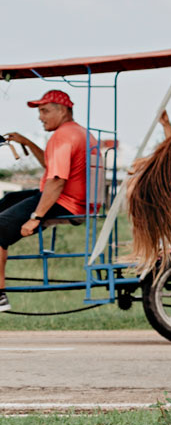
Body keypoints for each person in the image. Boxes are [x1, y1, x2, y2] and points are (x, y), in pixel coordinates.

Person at [0, 91, 92, 313]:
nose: (40, 117)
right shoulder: (77, 132)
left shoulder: (62, 136)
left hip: (64, 201)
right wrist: (27, 142)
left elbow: (57, 180)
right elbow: (51, 166)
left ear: (63, 111)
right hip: (75, 200)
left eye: (45, 111)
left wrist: (35, 218)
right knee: (9, 199)